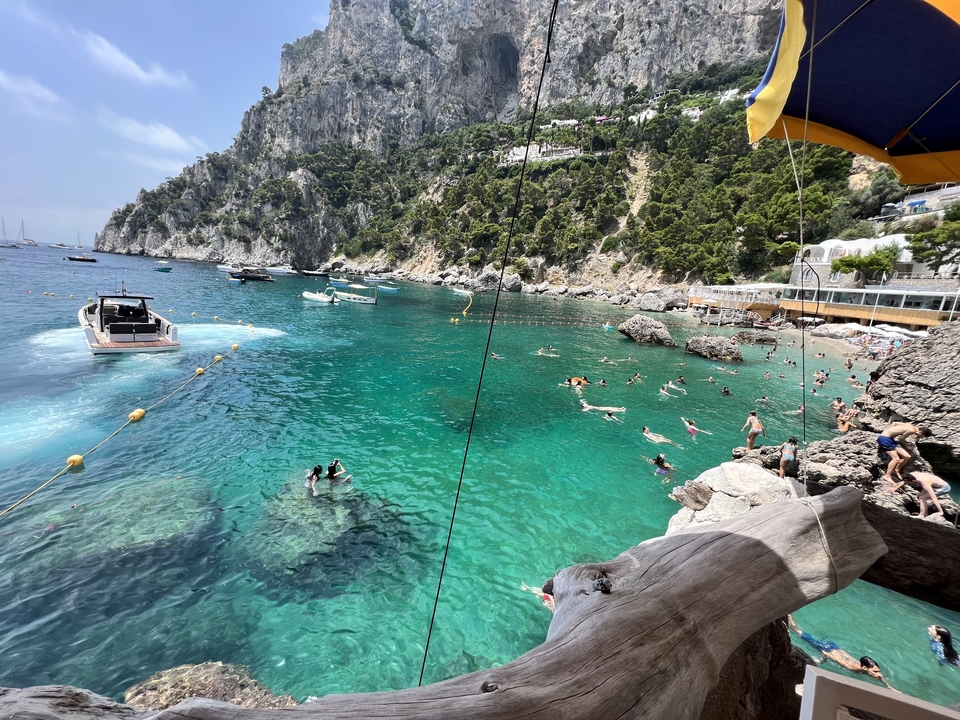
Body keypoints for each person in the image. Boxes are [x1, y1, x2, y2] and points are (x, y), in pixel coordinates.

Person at [788, 616, 898, 691]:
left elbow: (881, 678)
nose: (879, 675)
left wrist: (891, 688)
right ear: (864, 668)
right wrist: (821, 660)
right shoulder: (850, 667)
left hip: (836, 647)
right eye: (876, 672)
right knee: (798, 633)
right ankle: (790, 618)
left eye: (878, 671)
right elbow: (831, 656)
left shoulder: (869, 670)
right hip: (828, 649)